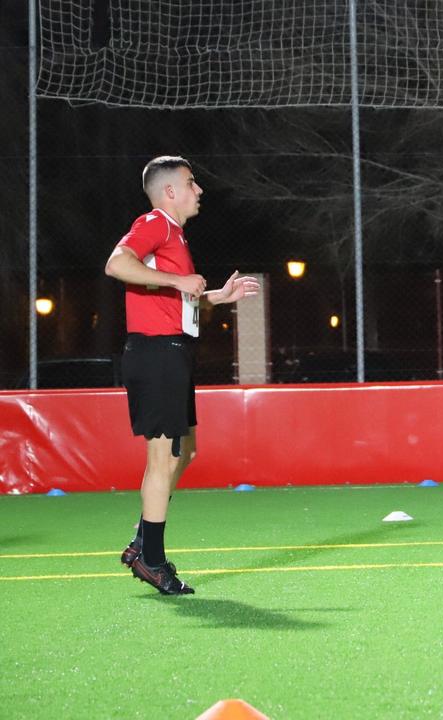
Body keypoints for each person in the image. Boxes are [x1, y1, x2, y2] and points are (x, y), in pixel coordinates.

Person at [105, 156, 260, 595]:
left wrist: (215, 297)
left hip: (172, 352)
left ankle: (142, 541)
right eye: (192, 183)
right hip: (155, 354)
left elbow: (172, 297)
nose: (199, 190)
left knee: (184, 451)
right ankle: (151, 561)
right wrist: (178, 282)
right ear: (170, 191)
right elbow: (116, 264)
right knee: (163, 459)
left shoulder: (174, 234)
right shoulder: (154, 222)